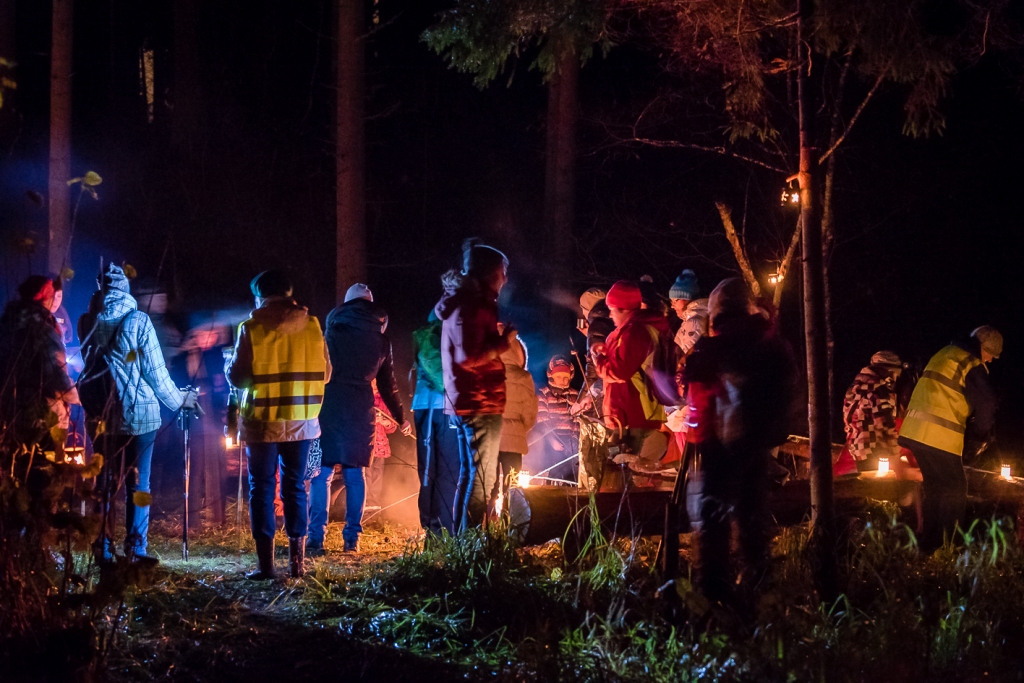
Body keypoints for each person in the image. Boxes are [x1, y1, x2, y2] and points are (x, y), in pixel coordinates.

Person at [683, 278, 796, 605]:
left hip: (724, 440)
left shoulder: (717, 346)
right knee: (752, 510)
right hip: (759, 439)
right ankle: (759, 578)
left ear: (717, 313)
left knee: (714, 513)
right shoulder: (768, 341)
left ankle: (714, 588)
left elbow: (693, 376)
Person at [80, 264, 199, 561]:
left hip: (100, 415)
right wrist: (179, 401)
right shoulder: (138, 320)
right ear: (125, 288)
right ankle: (136, 548)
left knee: (105, 483)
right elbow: (156, 375)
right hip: (139, 415)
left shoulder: (86, 321)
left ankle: (103, 548)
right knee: (139, 483)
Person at [226, 270, 330, 578]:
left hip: (263, 422)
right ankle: (297, 565)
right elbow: (326, 375)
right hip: (302, 421)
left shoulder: (251, 327)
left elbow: (238, 377)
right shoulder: (312, 326)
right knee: (295, 486)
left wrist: (230, 366)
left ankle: (266, 566)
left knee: (262, 487)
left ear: (259, 296)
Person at [311, 283, 409, 554]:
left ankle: (315, 538)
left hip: (327, 406)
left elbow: (318, 370)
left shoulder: (331, 331)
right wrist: (400, 417)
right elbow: (388, 384)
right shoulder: (380, 339)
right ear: (370, 306)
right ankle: (351, 540)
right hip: (360, 409)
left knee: (321, 474)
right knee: (356, 475)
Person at [436, 238, 516, 530]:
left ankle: (463, 542)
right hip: (479, 400)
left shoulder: (469, 302)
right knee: (482, 478)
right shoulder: (472, 305)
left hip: (472, 399)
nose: (505, 279)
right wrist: (503, 343)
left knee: (474, 475)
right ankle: (469, 547)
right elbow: (469, 356)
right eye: (502, 272)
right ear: (490, 273)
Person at [898, 326, 1000, 552]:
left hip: (916, 431)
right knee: (955, 488)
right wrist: (980, 436)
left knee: (936, 488)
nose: (991, 361)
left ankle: (928, 547)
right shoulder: (970, 363)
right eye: (991, 355)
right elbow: (987, 403)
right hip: (939, 435)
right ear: (983, 348)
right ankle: (949, 547)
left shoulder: (946, 353)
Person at [590, 280, 672, 464]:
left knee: (621, 474)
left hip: (631, 414)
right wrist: (606, 351)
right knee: (619, 469)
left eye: (612, 309)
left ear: (625, 309)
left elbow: (619, 371)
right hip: (627, 415)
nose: (610, 315)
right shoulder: (631, 331)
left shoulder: (635, 332)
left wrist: (599, 360)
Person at [0, 276, 80, 454]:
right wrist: (79, 396)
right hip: (44, 414)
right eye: (53, 294)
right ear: (43, 296)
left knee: (16, 466)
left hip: (9, 409)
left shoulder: (8, 323)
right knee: (46, 470)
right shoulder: (41, 327)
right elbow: (55, 373)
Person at [411, 272, 463, 536]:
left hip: (423, 403)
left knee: (427, 470)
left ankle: (430, 530)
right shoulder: (460, 314)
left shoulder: (434, 314)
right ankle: (445, 531)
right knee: (449, 470)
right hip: (448, 404)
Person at [840, 351, 903, 473]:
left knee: (866, 487)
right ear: (888, 371)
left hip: (858, 449)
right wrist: (896, 454)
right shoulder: (879, 390)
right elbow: (885, 425)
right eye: (896, 373)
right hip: (876, 451)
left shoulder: (855, 388)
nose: (896, 378)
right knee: (881, 489)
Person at [497, 333, 537, 494]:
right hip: (514, 441)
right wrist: (521, 428)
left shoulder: (487, 373)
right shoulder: (524, 377)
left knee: (487, 484)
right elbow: (530, 411)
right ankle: (511, 518)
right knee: (512, 484)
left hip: (490, 436)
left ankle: (487, 517)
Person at [534, 356, 581, 482]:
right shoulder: (544, 393)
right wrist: (552, 440)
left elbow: (577, 420)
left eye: (566, 377)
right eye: (559, 377)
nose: (562, 380)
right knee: (555, 472)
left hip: (571, 441)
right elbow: (542, 420)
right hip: (551, 441)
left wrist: (575, 439)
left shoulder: (575, 395)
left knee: (572, 474)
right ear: (552, 376)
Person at [364, 379, 399, 512]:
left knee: (377, 475)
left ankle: (374, 503)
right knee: (366, 474)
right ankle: (365, 502)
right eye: (374, 380)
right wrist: (372, 419)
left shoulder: (384, 400)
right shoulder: (364, 397)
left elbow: (392, 427)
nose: (376, 384)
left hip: (381, 446)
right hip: (366, 445)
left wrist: (386, 423)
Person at [668, 269, 709, 359]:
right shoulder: (693, 319)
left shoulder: (693, 323)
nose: (672, 306)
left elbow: (686, 360)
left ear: (686, 298)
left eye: (675, 301)